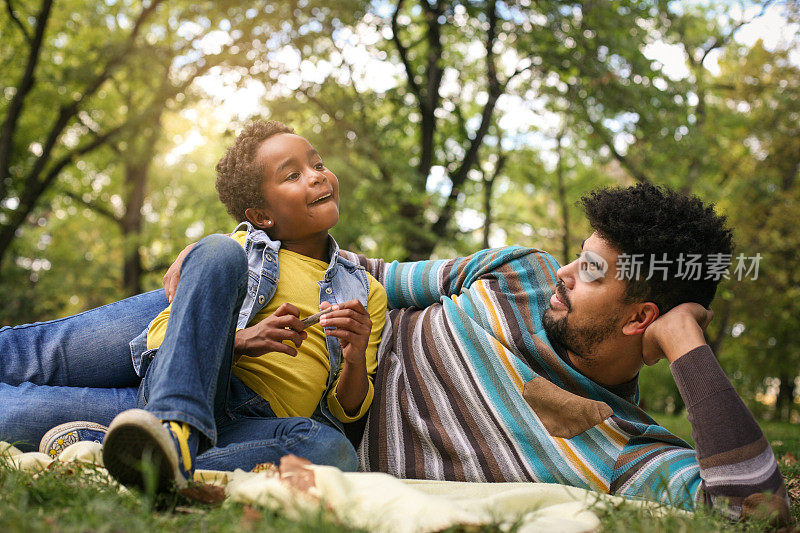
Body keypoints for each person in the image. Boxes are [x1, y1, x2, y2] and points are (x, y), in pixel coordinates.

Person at [1, 173, 788, 520]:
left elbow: (754, 507)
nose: (565, 276)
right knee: (27, 352)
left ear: (639, 317)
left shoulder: (621, 449)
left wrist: (689, 344)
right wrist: (238, 249)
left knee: (15, 409)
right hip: (248, 320)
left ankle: (130, 440)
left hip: (285, 419)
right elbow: (368, 271)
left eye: (591, 272)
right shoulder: (519, 273)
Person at [1, 120, 387, 493]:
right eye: (292, 175)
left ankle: (144, 453)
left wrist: (354, 355)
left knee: (332, 450)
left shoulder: (364, 288)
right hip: (190, 388)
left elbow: (347, 409)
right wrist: (239, 340)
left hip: (257, 424)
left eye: (317, 165)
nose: (317, 176)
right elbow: (160, 335)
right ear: (261, 216)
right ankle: (174, 434)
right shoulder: (237, 252)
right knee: (214, 249)